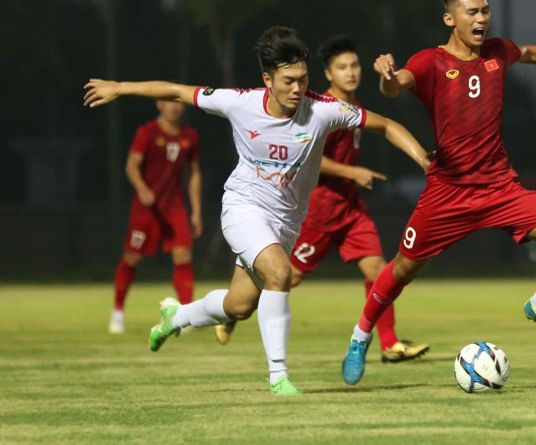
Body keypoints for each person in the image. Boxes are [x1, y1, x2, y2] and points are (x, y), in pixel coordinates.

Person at [84, 26, 430, 396]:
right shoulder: (240, 103)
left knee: (239, 306)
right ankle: (278, 377)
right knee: (280, 273)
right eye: (288, 81)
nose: (298, 89)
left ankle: (177, 316)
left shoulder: (323, 110)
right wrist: (120, 87)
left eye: (303, 79)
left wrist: (427, 162)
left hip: (286, 223)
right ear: (268, 79)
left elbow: (386, 126)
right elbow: (176, 91)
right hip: (243, 208)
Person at [341, 0, 536, 386]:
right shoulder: (430, 61)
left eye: (485, 10)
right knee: (401, 270)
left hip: (500, 188)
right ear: (450, 18)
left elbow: (529, 53)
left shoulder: (497, 52)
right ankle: (360, 337)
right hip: (448, 194)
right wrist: (385, 75)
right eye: (472, 11)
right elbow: (396, 87)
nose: (482, 18)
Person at [214, 36, 429, 364]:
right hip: (320, 207)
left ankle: (390, 343)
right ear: (328, 74)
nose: (351, 72)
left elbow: (384, 125)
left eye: (354, 65)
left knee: (377, 268)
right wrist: (352, 171)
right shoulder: (320, 110)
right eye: (342, 67)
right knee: (288, 276)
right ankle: (234, 309)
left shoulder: (352, 109)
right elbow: (307, 159)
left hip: (350, 206)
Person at [108, 100, 202, 334]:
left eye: (178, 102)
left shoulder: (190, 136)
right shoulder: (147, 132)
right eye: (168, 102)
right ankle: (117, 312)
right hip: (146, 209)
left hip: (174, 207)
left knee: (183, 255)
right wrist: (142, 189)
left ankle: (185, 315)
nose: (174, 107)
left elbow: (194, 174)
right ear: (159, 104)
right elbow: (132, 165)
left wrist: (196, 211)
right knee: (132, 257)